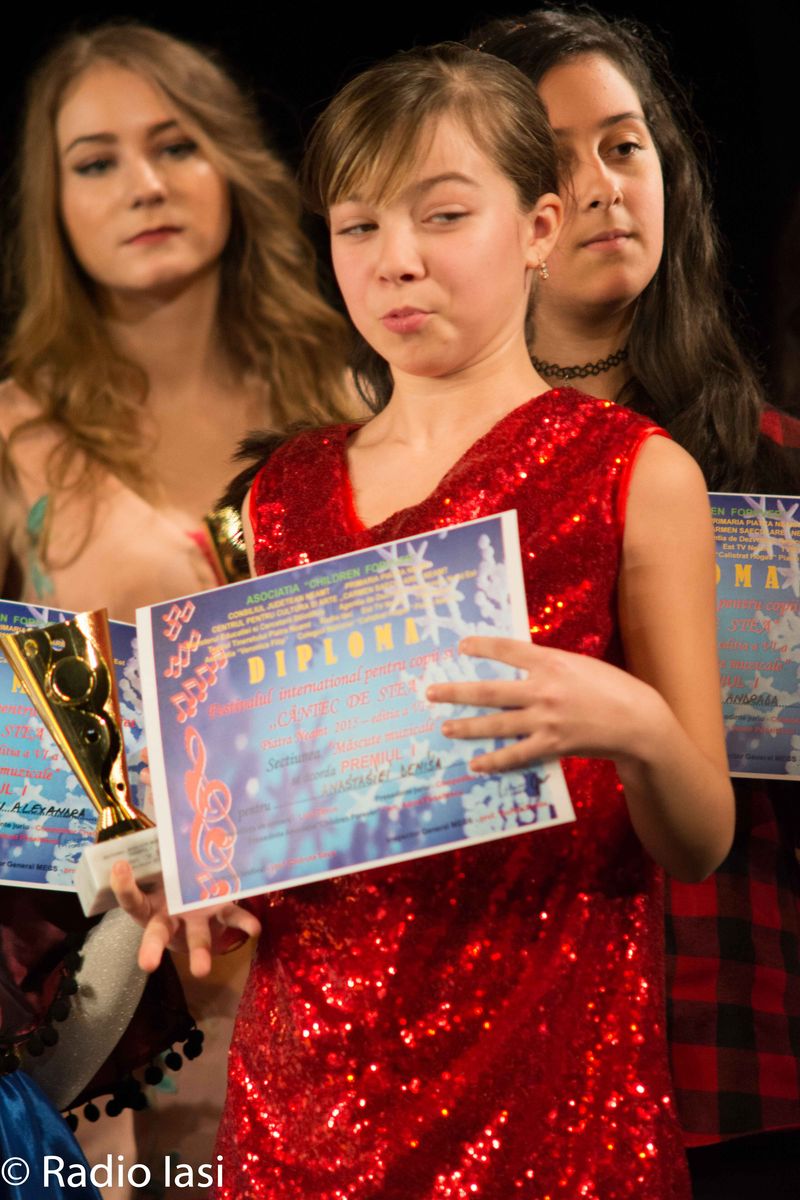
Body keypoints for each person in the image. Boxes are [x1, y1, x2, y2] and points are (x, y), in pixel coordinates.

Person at [113, 42, 736, 1199]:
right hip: (304, 1110)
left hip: (548, 1102)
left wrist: (634, 725)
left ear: (538, 228)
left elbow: (700, 836)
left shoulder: (632, 472)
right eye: (357, 226)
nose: (395, 260)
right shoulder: (281, 494)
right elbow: (278, 837)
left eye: (442, 215)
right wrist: (194, 872)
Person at [0, 21, 350, 1196]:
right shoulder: (11, 432)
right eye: (95, 161)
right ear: (53, 205)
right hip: (109, 1020)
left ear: (232, 163)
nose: (142, 184)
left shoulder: (362, 394)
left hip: (342, 967)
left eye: (175, 145)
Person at [468, 9, 800, 1197]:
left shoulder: (775, 467)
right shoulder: (424, 503)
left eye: (623, 146)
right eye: (555, 160)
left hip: (736, 1056)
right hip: (504, 1075)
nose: (602, 187)